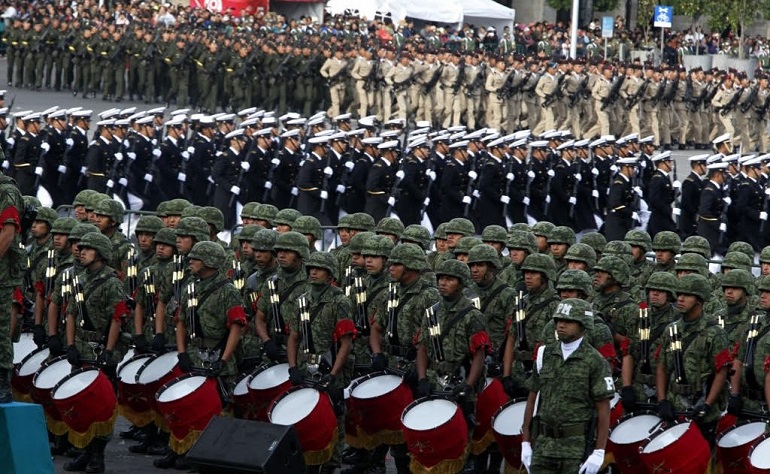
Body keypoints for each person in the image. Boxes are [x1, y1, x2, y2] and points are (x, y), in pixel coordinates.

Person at [171, 241, 246, 469]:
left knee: (220, 409)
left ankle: (216, 456)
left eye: (196, 258)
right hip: (195, 353)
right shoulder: (190, 287)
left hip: (220, 354)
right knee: (191, 407)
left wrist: (224, 359)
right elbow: (181, 321)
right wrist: (182, 352)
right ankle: (189, 452)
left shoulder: (228, 291)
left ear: (210, 262)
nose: (190, 261)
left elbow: (237, 325)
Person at [520, 298, 615, 474]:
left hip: (575, 447)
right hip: (543, 444)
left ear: (583, 325)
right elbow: (533, 399)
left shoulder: (594, 361)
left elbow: (603, 409)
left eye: (568, 321)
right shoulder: (545, 354)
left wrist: (599, 451)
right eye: (559, 320)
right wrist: (526, 441)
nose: (561, 325)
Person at [415, 259, 490, 473]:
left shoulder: (473, 315)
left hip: (461, 380)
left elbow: (479, 354)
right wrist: (421, 378)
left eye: (449, 279)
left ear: (461, 282)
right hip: (433, 378)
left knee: (459, 441)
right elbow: (422, 347)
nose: (443, 283)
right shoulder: (431, 312)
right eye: (441, 278)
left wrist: (468, 385)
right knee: (431, 438)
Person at [64, 232, 130, 473]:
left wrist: (109, 351)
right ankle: (83, 451)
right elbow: (71, 313)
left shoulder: (112, 283)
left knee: (100, 404)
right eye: (81, 248)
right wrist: (70, 345)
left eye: (88, 249)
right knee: (79, 402)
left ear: (100, 254)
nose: (81, 251)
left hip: (102, 348)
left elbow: (117, 318)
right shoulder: (78, 277)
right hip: (81, 347)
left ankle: (97, 456)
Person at [287, 251, 356, 473]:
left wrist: (334, 374)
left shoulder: (340, 301)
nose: (313, 272)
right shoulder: (302, 299)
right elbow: (294, 337)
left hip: (330, 367)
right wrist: (292, 368)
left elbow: (346, 342)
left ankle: (331, 464)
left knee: (334, 417)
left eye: (318, 269)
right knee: (306, 415)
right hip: (305, 366)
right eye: (310, 269)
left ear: (330, 273)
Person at [656, 274, 731, 447]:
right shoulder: (671, 329)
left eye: (687, 295)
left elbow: (721, 371)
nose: (680, 299)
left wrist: (707, 404)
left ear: (699, 300)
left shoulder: (715, 332)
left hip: (701, 408)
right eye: (679, 294)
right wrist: (662, 401)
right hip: (674, 407)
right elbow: (662, 366)